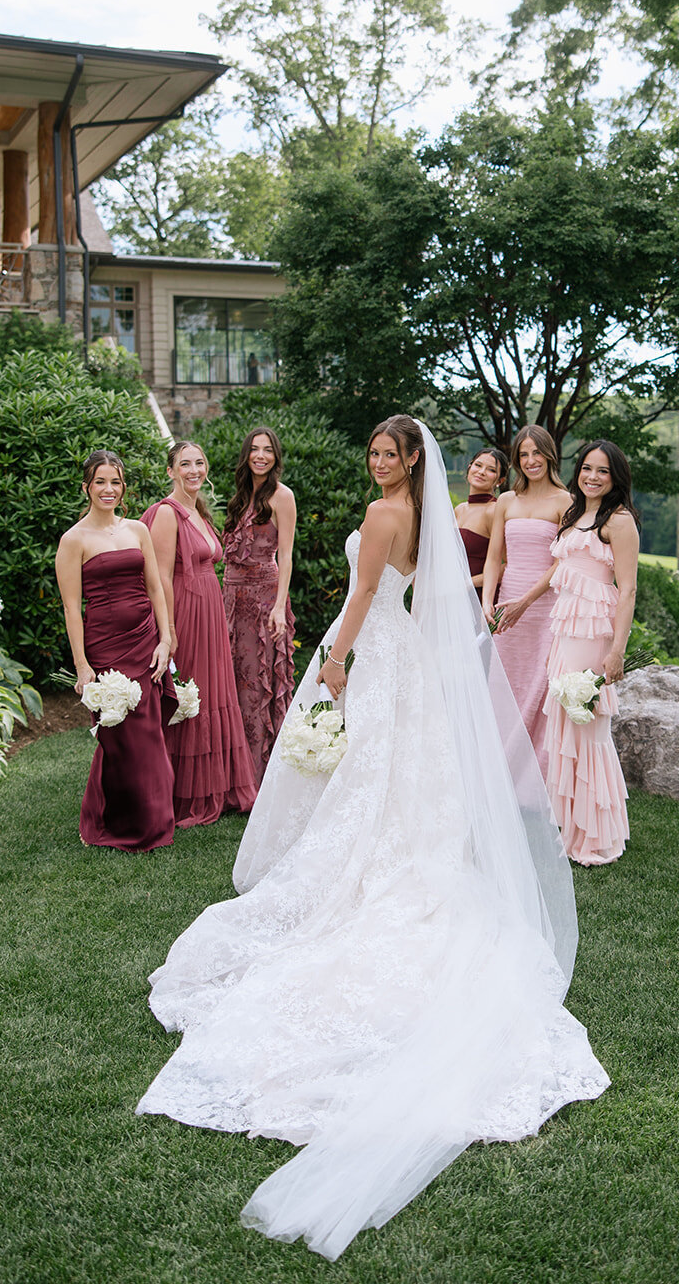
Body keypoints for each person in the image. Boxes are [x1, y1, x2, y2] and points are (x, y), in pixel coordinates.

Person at [137, 415, 609, 1260]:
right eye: (374, 452)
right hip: (411, 659)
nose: (378, 462)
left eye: (389, 453)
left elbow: (359, 597)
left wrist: (336, 662)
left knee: (371, 783)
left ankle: (362, 882)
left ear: (411, 460)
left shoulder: (387, 513)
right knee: (396, 786)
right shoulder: (425, 515)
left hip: (376, 651)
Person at [54, 450, 175, 852]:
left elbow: (156, 587)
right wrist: (82, 666)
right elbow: (73, 608)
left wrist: (165, 638)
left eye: (116, 482)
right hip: (105, 644)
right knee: (120, 733)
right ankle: (112, 819)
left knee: (148, 729)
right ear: (86, 487)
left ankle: (154, 822)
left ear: (124, 489)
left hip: (144, 636)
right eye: (101, 482)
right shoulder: (73, 540)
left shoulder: (138, 529)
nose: (109, 489)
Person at [142, 441, 259, 827]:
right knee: (189, 697)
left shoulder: (199, 511)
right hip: (185, 614)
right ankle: (178, 792)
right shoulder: (166, 513)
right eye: (185, 464)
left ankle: (217, 787)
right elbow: (159, 576)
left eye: (199, 463)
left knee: (211, 693)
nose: (194, 470)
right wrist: (168, 630)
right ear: (172, 470)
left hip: (210, 610)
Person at [543, 441, 639, 865]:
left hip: (594, 630)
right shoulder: (575, 514)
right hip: (565, 627)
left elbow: (628, 588)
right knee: (567, 721)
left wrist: (617, 650)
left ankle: (596, 835)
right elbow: (560, 572)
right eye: (586, 468)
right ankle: (570, 828)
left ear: (616, 477)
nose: (593, 477)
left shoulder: (619, 521)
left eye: (603, 471)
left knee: (587, 725)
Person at [481, 425, 571, 775]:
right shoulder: (506, 501)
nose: (531, 460)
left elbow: (562, 562)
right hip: (506, 607)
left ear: (549, 454)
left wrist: (527, 601)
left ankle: (535, 778)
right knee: (504, 686)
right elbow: (493, 559)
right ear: (517, 460)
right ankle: (496, 773)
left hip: (543, 606)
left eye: (537, 453)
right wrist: (488, 600)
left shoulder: (566, 501)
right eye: (524, 454)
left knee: (539, 686)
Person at [221, 427, 297, 782]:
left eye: (268, 450)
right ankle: (230, 769)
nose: (261, 456)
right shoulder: (238, 497)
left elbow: (287, 556)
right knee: (230, 682)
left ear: (276, 456)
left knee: (256, 685)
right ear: (246, 455)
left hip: (264, 599)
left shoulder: (282, 496)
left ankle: (257, 774)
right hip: (230, 600)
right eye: (254, 449)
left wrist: (279, 606)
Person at [454, 446, 508, 588]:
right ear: (469, 467)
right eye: (478, 465)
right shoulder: (459, 509)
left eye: (491, 470)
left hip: (477, 597)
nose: (482, 472)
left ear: (500, 481)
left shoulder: (495, 511)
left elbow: (508, 565)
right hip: (449, 596)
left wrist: (465, 584)